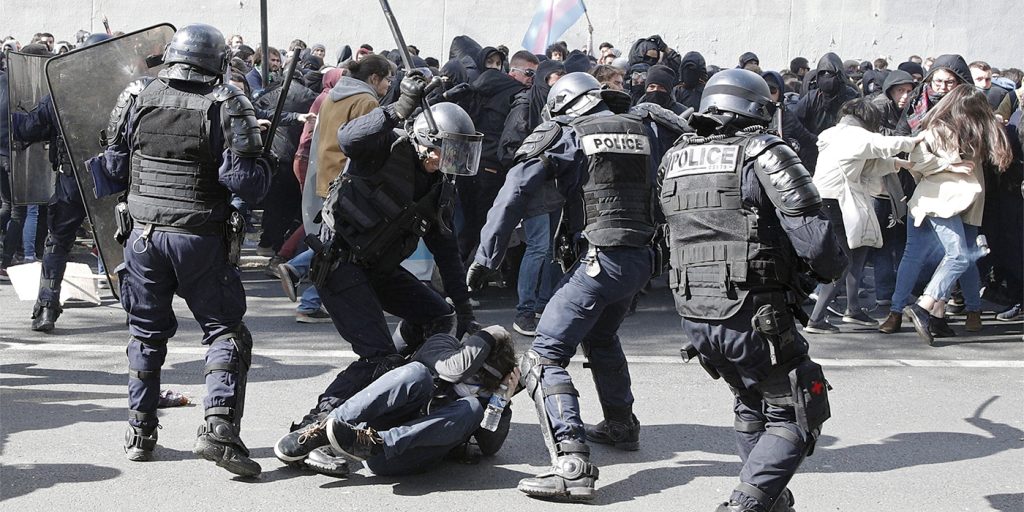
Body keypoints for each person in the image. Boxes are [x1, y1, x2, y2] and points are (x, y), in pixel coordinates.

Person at [468, 72, 685, 500]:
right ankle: (621, 423)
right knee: (601, 335)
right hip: (642, 259)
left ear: (565, 105)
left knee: (543, 357)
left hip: (601, 259)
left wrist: (484, 257)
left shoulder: (568, 132)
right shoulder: (643, 125)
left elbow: (514, 192)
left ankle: (571, 464)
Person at [659, 69, 845, 512]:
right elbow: (818, 243)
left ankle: (771, 499)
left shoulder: (675, 157)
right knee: (797, 409)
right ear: (759, 108)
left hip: (694, 314)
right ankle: (746, 504)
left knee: (750, 403)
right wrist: (826, 271)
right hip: (754, 311)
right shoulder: (764, 150)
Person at [99, 23, 272, 476]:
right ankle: (218, 429)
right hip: (199, 237)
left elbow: (113, 168)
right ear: (215, 61)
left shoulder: (137, 94)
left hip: (141, 237)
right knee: (225, 332)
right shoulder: (227, 102)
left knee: (145, 334)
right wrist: (262, 158)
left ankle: (139, 431)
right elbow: (246, 185)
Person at [289, 77, 482, 431]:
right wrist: (399, 107)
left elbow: (447, 251)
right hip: (340, 265)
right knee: (377, 356)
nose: (454, 159)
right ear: (426, 142)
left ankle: (395, 386)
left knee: (440, 318)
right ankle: (316, 424)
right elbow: (350, 137)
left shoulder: (439, 185)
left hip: (379, 269)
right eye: (449, 149)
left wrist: (465, 309)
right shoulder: (384, 152)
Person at [274, 326, 517, 476]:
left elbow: (490, 448)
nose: (474, 381)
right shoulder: (445, 348)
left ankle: (376, 443)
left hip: (394, 456)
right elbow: (455, 369)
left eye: (482, 380)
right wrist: (491, 334)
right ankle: (321, 429)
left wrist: (501, 402)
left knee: (472, 408)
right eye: (475, 372)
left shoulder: (487, 401)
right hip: (369, 426)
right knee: (416, 372)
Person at [899, 85, 1013, 343]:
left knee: (954, 257)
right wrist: (950, 165)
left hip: (955, 202)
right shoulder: (939, 128)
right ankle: (923, 306)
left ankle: (936, 314)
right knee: (959, 256)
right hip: (939, 201)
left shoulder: (959, 128)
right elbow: (915, 163)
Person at [804, 99, 920, 333]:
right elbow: (881, 144)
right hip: (835, 201)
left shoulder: (835, 134)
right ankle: (816, 320)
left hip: (831, 200)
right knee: (844, 260)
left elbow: (865, 166)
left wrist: (897, 163)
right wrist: (917, 140)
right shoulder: (853, 135)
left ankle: (853, 310)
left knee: (858, 253)